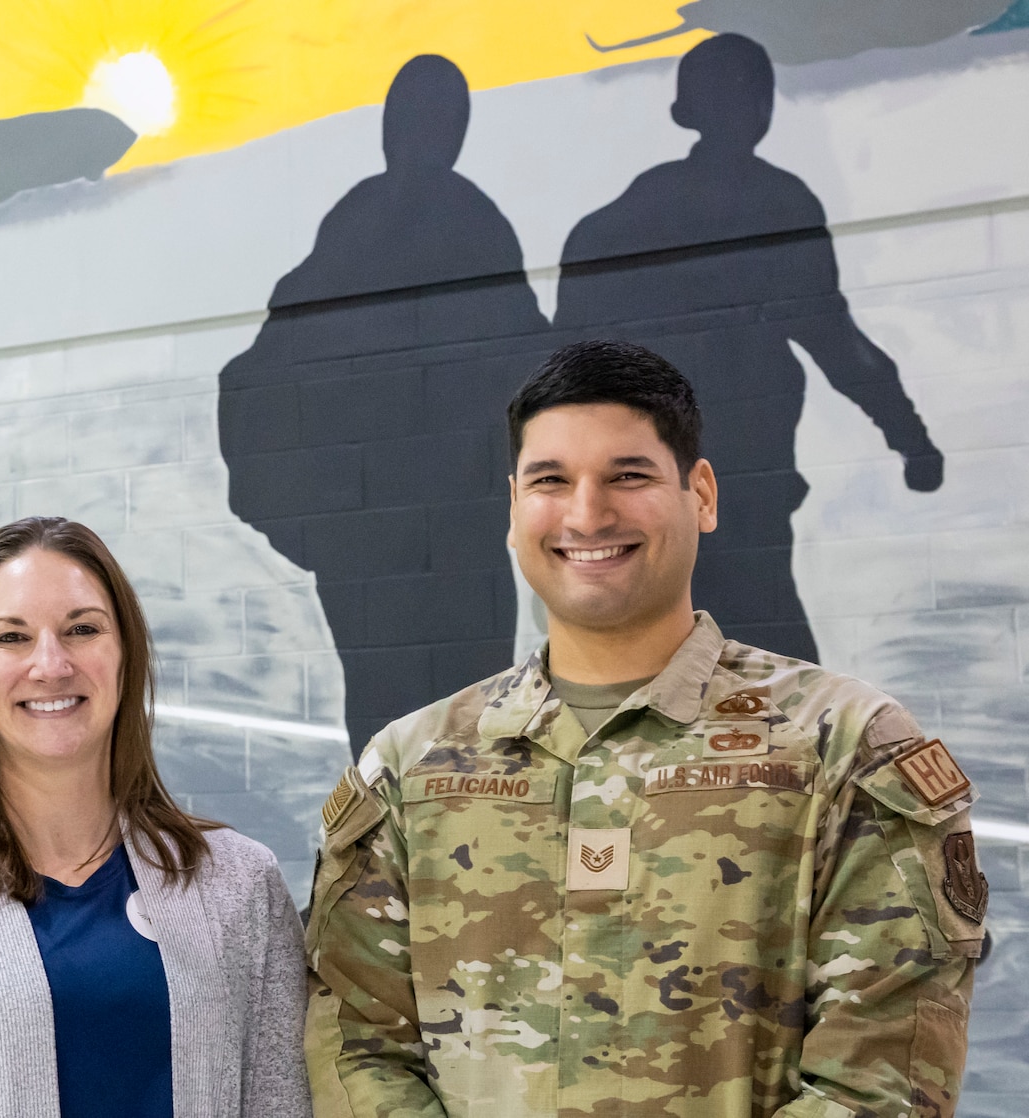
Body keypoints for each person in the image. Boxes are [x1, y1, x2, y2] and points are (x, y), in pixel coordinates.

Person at [304, 340, 983, 1118]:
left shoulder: (845, 745)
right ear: (514, 509)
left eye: (628, 475)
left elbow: (883, 1077)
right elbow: (354, 1044)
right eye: (550, 481)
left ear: (701, 494)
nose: (588, 514)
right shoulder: (412, 765)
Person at [0, 516, 310, 1118]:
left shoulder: (241, 884)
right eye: (12, 638)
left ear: (126, 654)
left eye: (82, 629)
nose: (51, 664)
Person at [555, 34, 942, 662]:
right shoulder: (775, 202)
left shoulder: (627, 215)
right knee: (765, 650)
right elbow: (837, 341)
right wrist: (909, 435)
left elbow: (566, 342)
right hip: (731, 479)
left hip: (661, 483)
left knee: (712, 645)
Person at [217, 54, 549, 748]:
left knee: (389, 722)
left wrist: (303, 518)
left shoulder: (366, 227)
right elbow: (531, 364)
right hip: (439, 535)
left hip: (381, 544)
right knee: (465, 725)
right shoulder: (467, 222)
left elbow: (258, 368)